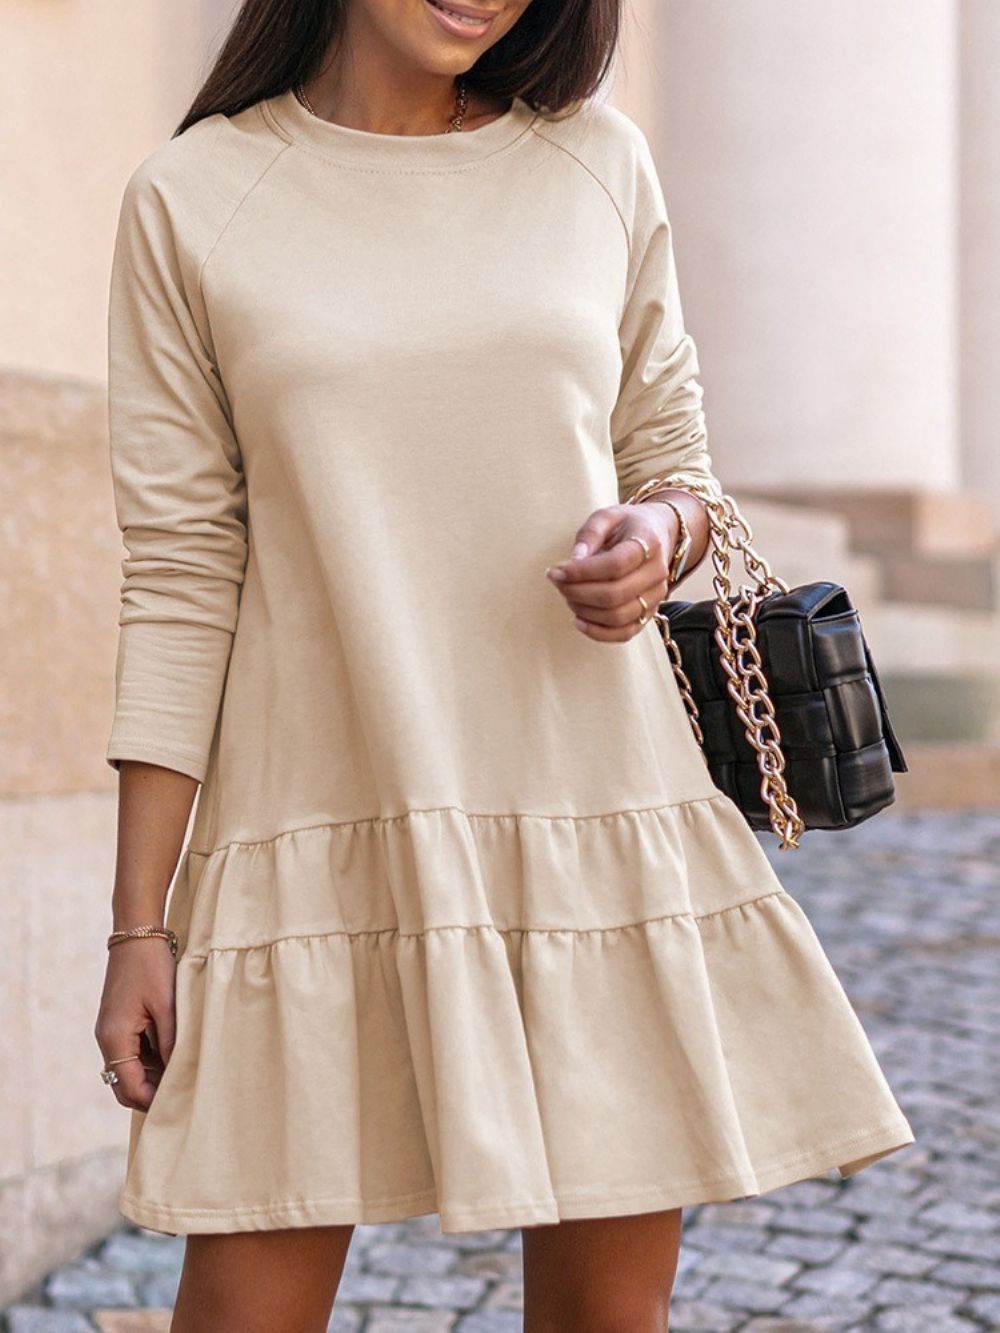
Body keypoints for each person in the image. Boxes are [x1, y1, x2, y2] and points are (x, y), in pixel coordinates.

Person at [94, 0, 915, 1328]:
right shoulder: (196, 199)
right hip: (315, 827)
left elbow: (677, 467)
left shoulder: (597, 162)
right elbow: (185, 574)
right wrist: (140, 926)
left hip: (590, 810)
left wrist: (656, 536)